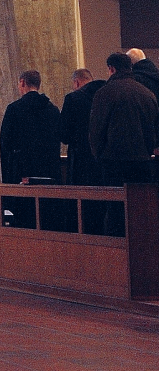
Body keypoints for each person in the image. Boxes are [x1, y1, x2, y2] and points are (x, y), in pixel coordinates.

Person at [90, 52, 159, 235]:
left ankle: (116, 257)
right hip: (142, 163)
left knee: (115, 213)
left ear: (111, 69)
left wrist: (100, 155)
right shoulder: (147, 94)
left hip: (113, 163)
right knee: (140, 213)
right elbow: (153, 131)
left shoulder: (104, 93)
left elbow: (96, 131)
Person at [0, 70, 61, 229]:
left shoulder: (14, 109)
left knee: (23, 218)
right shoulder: (53, 110)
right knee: (45, 217)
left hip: (22, 171)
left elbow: (5, 144)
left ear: (22, 83)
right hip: (48, 172)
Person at [59, 68, 106, 233]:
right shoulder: (106, 95)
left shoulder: (73, 99)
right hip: (104, 164)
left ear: (76, 82)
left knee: (82, 212)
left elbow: (64, 134)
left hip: (81, 164)